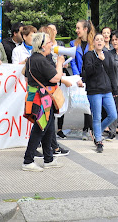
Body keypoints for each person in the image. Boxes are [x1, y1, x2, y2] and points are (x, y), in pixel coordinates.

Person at [22, 32, 65, 171]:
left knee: (48, 128)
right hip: (42, 99)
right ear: (42, 46)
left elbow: (26, 78)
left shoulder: (32, 59)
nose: (52, 45)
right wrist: (59, 63)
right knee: (40, 128)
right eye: (49, 43)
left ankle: (48, 159)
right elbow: (55, 78)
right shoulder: (40, 60)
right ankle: (28, 161)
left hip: (38, 97)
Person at [80, 34, 118, 153]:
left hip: (106, 90)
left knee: (113, 115)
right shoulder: (89, 55)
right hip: (94, 90)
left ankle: (97, 132)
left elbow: (111, 72)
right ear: (94, 42)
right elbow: (89, 71)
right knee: (97, 117)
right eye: (97, 40)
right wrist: (98, 60)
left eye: (102, 40)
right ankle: (99, 141)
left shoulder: (107, 55)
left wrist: (114, 88)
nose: (100, 42)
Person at [71, 19, 96, 141]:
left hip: (91, 76)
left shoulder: (94, 44)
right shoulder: (73, 44)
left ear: (85, 29)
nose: (76, 31)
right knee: (84, 103)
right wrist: (77, 76)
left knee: (91, 103)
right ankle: (87, 129)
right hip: (80, 77)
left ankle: (89, 128)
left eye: (78, 28)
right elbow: (73, 62)